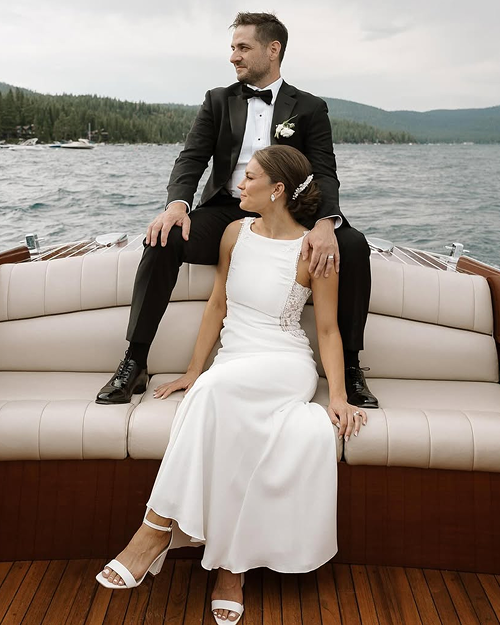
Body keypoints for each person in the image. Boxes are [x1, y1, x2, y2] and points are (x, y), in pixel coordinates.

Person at [96, 145, 369, 624]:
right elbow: (217, 305)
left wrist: (340, 396)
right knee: (216, 398)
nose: (240, 184)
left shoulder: (314, 249)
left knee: (214, 395)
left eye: (251, 177)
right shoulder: (232, 233)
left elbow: (327, 329)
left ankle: (155, 529)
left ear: (277, 190)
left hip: (285, 364)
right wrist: (193, 370)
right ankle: (229, 567)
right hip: (233, 360)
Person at [95, 11, 377, 409]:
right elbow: (191, 158)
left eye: (243, 47)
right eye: (232, 48)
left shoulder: (310, 108)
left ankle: (349, 368)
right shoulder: (218, 100)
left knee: (353, 245)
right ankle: (134, 360)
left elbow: (325, 172)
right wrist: (177, 204)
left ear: (273, 50)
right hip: (227, 209)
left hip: (288, 211)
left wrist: (327, 222)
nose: (233, 57)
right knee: (162, 238)